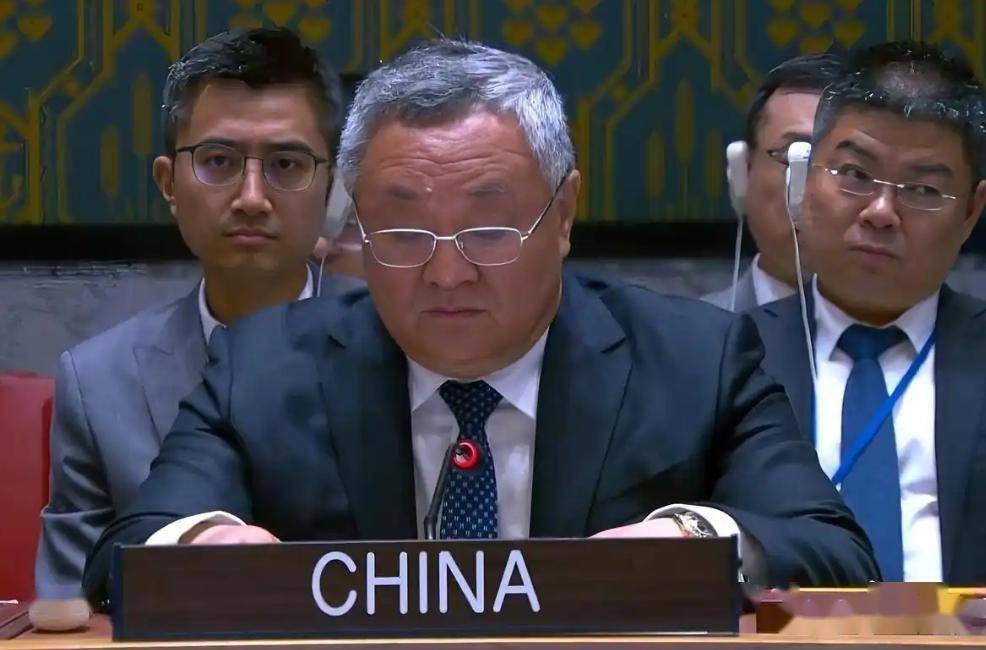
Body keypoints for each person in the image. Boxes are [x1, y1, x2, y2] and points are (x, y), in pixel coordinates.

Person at [83, 39, 878, 605]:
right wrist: (202, 546)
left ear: (562, 215)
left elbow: (835, 551)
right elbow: (122, 556)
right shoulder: (262, 368)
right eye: (402, 232)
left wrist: (696, 541)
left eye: (490, 230)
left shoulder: (695, 360)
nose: (446, 273)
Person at [35, 27, 358, 602]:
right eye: (218, 161)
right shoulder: (99, 382)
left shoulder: (395, 344)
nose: (252, 197)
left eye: (286, 164)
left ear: (331, 186)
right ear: (169, 183)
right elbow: (70, 609)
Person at [747, 41, 986, 584]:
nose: (881, 212)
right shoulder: (725, 359)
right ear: (805, 179)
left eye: (923, 189)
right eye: (855, 174)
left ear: (972, 212)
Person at [705, 53, 845, 311]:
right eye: (799, 157)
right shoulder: (678, 333)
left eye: (850, 168)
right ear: (742, 173)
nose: (821, 190)